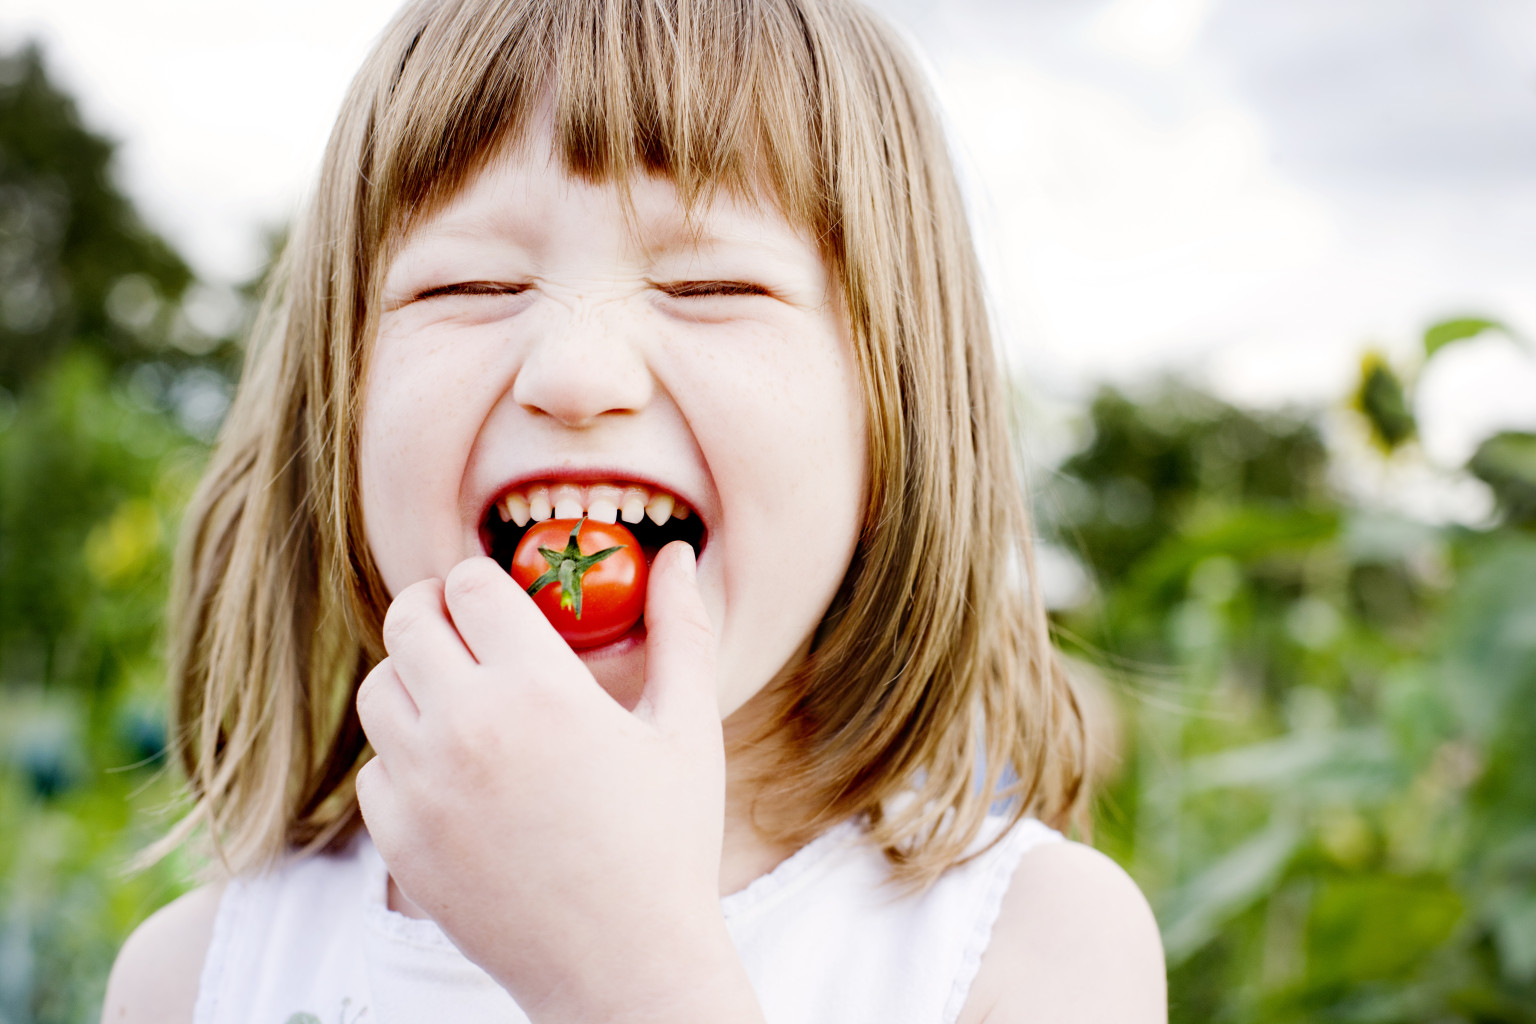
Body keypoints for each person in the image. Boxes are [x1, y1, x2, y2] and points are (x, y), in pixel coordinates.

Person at [104, 0, 1165, 1021]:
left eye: (712, 287)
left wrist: (633, 984)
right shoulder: (193, 977)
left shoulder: (1031, 947)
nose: (575, 374)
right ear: (336, 405)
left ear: (897, 408)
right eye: (466, 284)